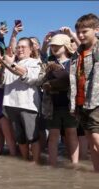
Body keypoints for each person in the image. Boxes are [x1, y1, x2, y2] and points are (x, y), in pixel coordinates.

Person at [0, 37, 42, 164]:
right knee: (20, 138)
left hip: (28, 105)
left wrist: (9, 63)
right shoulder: (10, 62)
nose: (20, 49)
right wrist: (0, 64)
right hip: (11, 104)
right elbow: (0, 83)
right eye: (18, 47)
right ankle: (26, 161)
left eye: (23, 47)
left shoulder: (34, 62)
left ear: (31, 49)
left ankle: (36, 163)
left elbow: (29, 76)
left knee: (33, 137)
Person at [40, 33, 79, 166]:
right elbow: (42, 57)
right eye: (52, 46)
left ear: (66, 46)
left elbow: (81, 50)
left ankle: (74, 164)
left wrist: (71, 34)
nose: (54, 48)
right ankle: (52, 165)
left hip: (70, 104)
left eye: (58, 45)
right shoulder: (49, 63)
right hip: (52, 105)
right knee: (53, 136)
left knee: (71, 133)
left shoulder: (74, 61)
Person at [69, 13, 99, 172]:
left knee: (96, 139)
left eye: (84, 31)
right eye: (78, 31)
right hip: (81, 103)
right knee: (91, 142)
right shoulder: (76, 54)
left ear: (96, 30)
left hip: (96, 102)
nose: (80, 35)